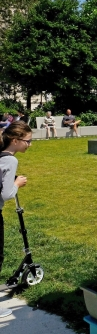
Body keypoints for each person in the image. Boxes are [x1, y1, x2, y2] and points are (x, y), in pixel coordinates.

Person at [0, 121, 32, 318]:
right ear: (15, 140)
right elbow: (6, 194)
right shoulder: (11, 161)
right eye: (28, 141)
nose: (29, 144)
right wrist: (17, 184)